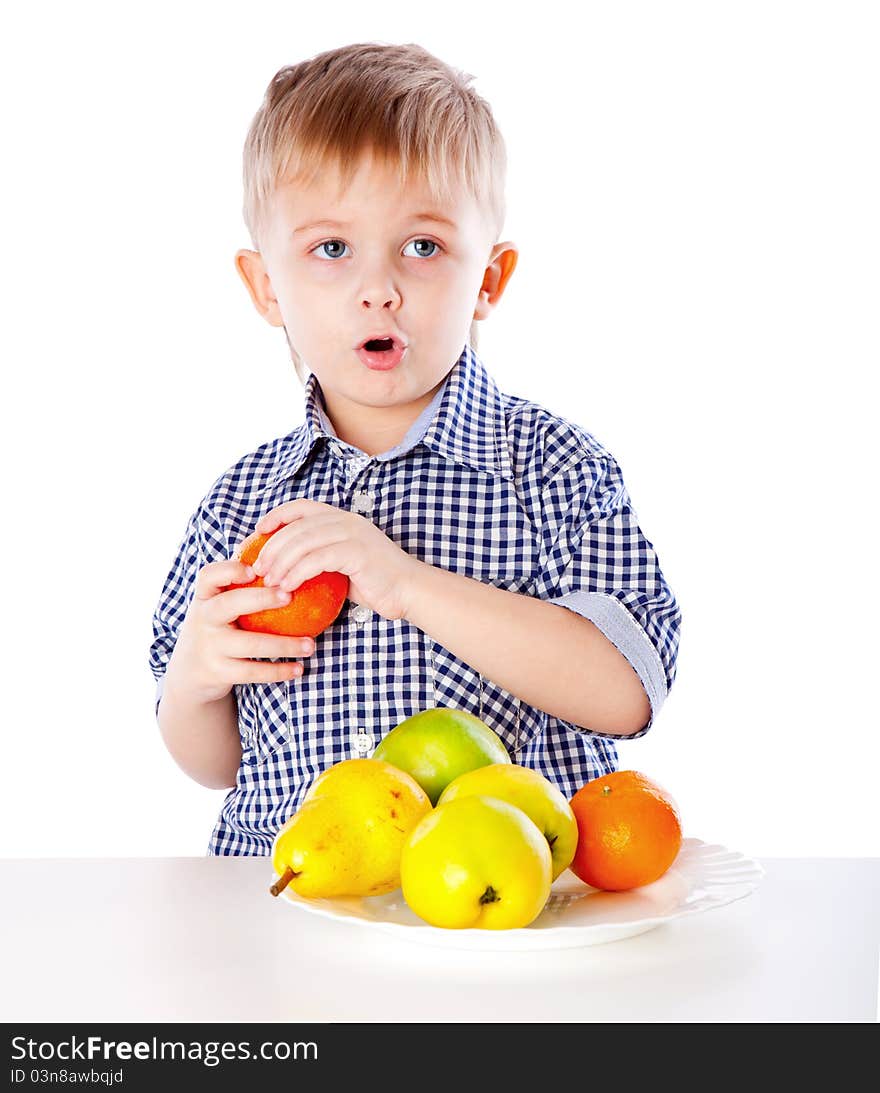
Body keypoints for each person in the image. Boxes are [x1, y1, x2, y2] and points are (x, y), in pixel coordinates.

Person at [149, 41, 682, 856]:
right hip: (290, 899)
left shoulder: (554, 469)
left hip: (499, 909)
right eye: (332, 249)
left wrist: (404, 582)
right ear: (266, 288)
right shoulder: (240, 500)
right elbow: (217, 764)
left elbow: (629, 692)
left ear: (490, 279)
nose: (379, 287)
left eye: (423, 247)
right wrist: (196, 678)